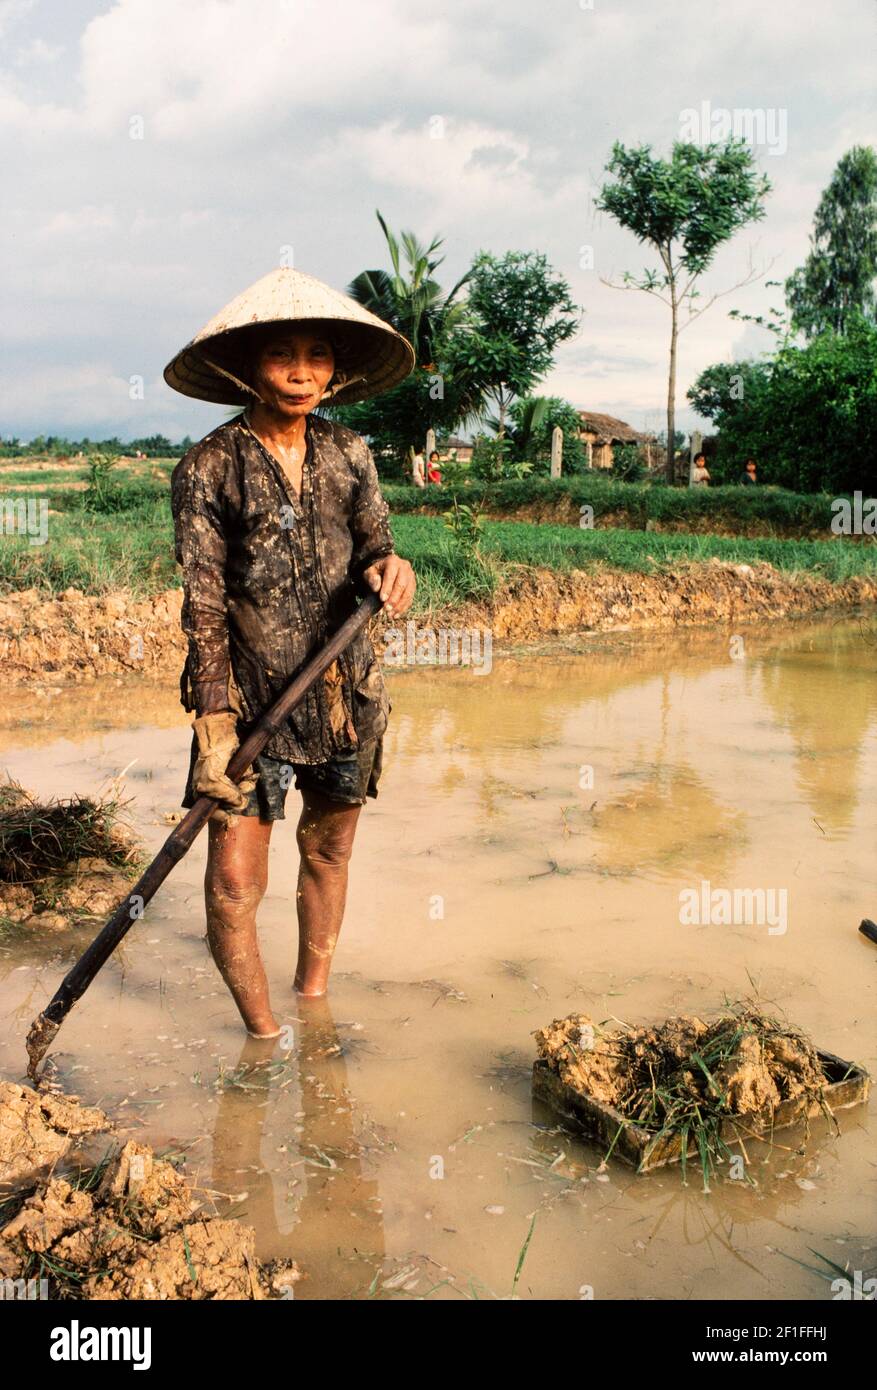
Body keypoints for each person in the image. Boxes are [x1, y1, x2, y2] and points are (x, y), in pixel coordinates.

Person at [164, 267, 416, 1038]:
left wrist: (391, 567)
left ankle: (314, 1006)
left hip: (345, 693)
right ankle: (264, 1038)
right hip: (249, 707)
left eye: (316, 355)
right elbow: (204, 601)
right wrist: (213, 722)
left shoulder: (350, 455)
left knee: (328, 854)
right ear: (248, 367)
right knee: (234, 887)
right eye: (282, 355)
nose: (301, 371)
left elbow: (377, 546)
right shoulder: (210, 466)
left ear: (336, 370)